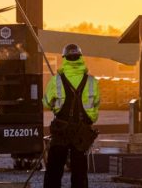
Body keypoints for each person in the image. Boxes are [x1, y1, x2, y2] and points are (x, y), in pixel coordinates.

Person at [43, 44, 100, 188]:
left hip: (61, 130)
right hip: (82, 132)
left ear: (64, 58)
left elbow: (46, 103)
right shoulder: (92, 81)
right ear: (80, 57)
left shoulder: (56, 80)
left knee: (54, 170)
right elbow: (96, 104)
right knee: (80, 172)